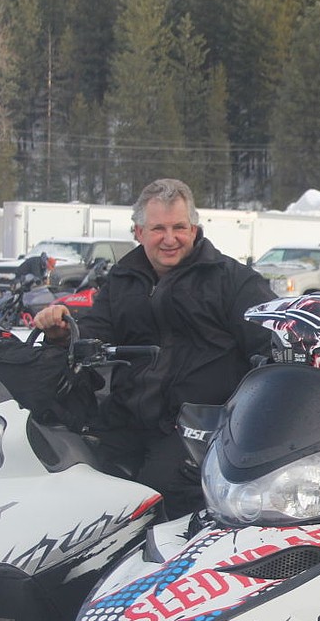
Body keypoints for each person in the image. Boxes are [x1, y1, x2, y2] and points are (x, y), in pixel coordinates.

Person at [32, 178, 275, 518]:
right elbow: (92, 335)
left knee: (151, 502)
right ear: (139, 232)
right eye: (158, 228)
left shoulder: (232, 280)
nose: (170, 238)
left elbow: (272, 339)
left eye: (179, 227)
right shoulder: (123, 278)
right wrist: (61, 331)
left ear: (194, 228)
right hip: (127, 417)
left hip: (198, 428)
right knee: (74, 479)